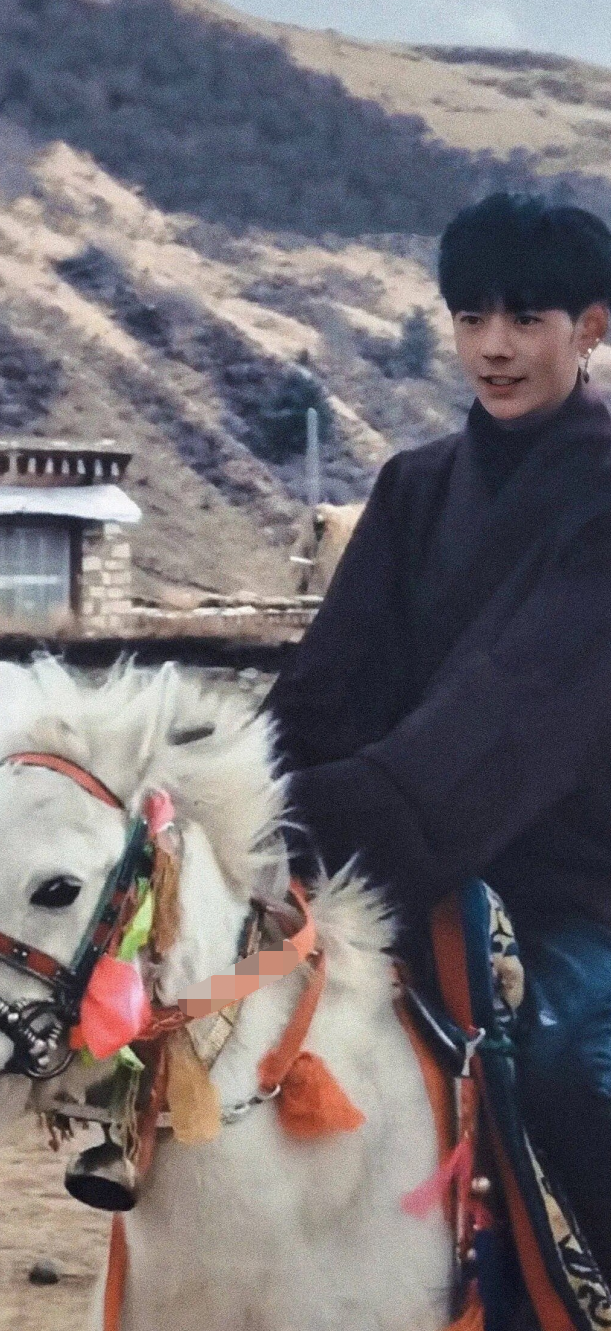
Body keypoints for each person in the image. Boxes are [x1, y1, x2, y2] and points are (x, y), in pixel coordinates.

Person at [263, 191, 611, 1273]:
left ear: (591, 326)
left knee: (561, 1059)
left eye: (526, 318)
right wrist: (236, 791)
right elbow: (328, 687)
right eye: (470, 318)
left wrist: (327, 816)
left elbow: (512, 714)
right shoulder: (413, 486)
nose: (493, 347)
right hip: (406, 862)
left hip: (574, 882)